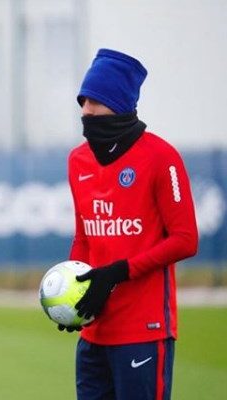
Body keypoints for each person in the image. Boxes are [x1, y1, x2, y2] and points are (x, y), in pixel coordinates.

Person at [63, 48, 198, 399]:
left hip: (144, 332)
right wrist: (71, 288)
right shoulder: (77, 160)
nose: (86, 111)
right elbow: (84, 236)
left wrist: (118, 272)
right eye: (83, 101)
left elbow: (186, 239)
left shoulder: (161, 157)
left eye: (95, 101)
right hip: (93, 334)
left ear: (119, 104)